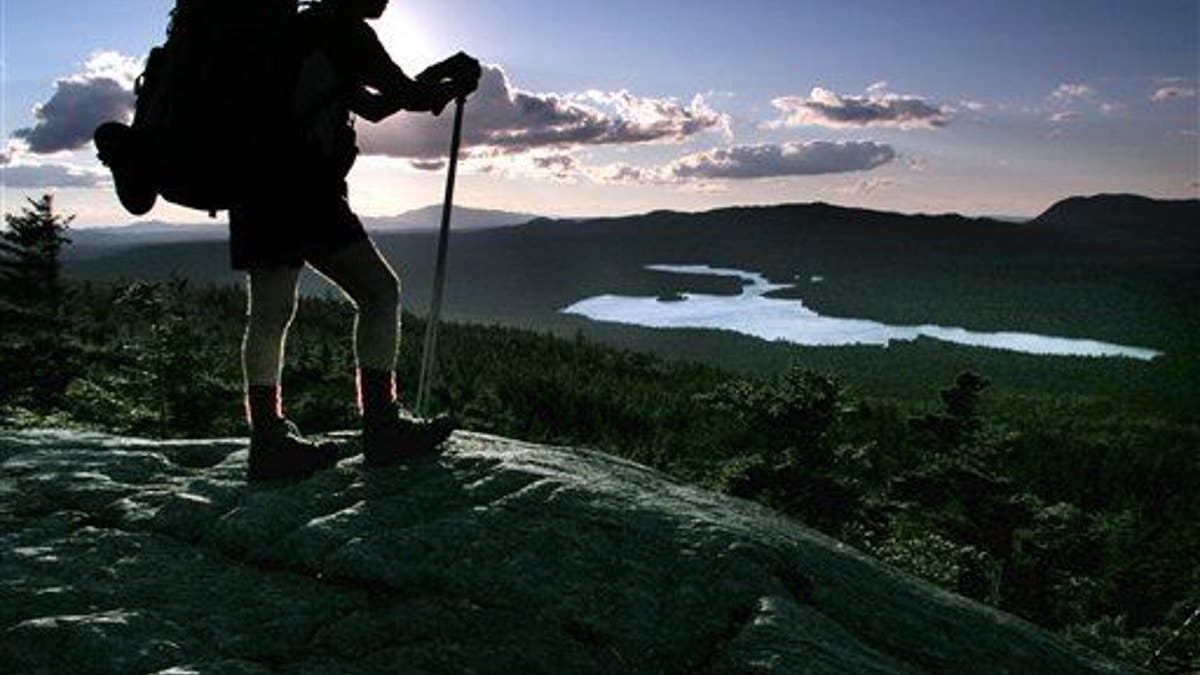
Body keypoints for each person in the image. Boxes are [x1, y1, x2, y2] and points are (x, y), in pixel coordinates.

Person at [235, 0, 481, 481]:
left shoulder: (292, 30)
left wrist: (441, 82)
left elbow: (372, 104)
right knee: (379, 293)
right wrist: (450, 75)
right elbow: (401, 93)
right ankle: (382, 427)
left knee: (268, 315)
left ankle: (267, 442)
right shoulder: (345, 31)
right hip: (306, 189)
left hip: (253, 188)